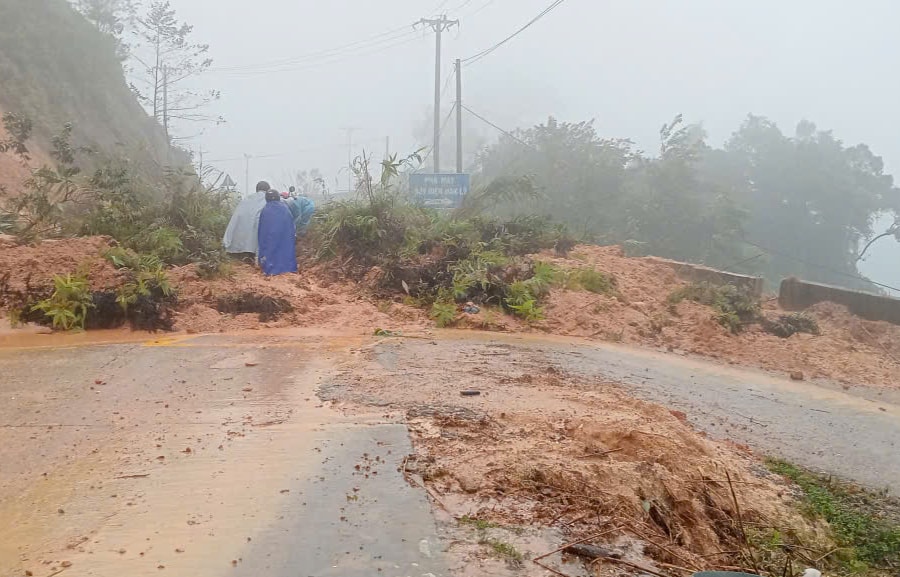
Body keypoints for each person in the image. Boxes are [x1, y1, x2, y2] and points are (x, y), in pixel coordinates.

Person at [223, 181, 270, 262]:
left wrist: (226, 242)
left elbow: (234, 219)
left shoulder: (246, 200)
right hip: (256, 245)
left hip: (238, 244)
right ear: (268, 190)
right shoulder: (267, 200)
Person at [257, 189, 298, 276]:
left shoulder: (265, 210)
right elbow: (292, 226)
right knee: (286, 249)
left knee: (270, 250)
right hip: (286, 240)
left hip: (271, 241)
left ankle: (271, 268)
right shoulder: (285, 208)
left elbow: (262, 232)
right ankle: (289, 268)